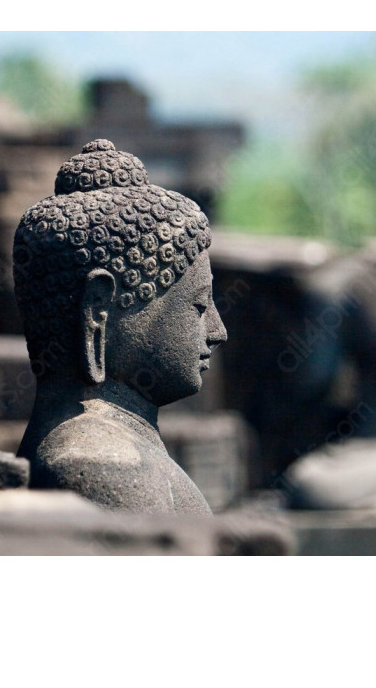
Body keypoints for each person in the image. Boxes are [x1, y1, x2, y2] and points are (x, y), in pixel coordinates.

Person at [13, 139, 226, 513]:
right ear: (98, 310)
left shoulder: (111, 449)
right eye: (198, 305)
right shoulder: (97, 468)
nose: (217, 330)